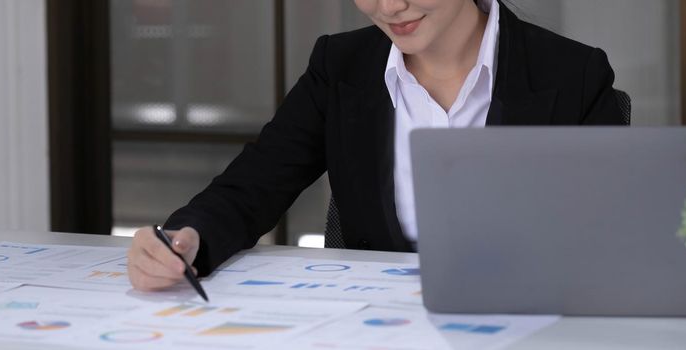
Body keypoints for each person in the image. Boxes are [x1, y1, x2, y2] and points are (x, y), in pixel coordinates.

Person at [126, 0, 626, 291]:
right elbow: (253, 183)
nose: (389, 7)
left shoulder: (573, 73)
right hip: (376, 323)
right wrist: (187, 237)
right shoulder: (339, 66)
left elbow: (613, 235)